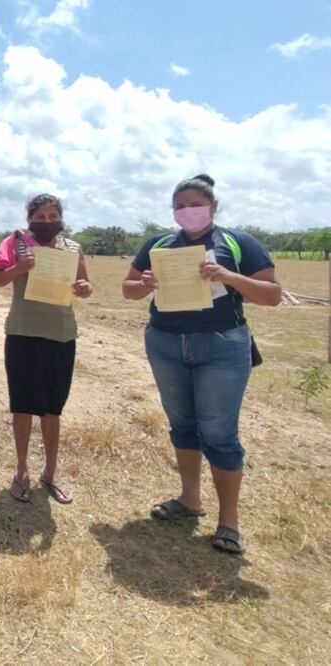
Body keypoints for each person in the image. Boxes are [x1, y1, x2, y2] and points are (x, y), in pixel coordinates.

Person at [122, 174, 281, 554]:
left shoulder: (238, 242)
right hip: (165, 342)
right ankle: (189, 499)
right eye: (179, 206)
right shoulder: (158, 244)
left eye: (195, 204)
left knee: (220, 433)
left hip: (222, 345)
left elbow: (272, 295)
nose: (187, 211)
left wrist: (227, 276)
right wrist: (145, 283)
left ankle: (229, 523)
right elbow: (128, 290)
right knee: (183, 425)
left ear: (212, 207)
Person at [0, 194, 93, 504]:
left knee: (52, 409)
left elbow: (85, 286)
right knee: (21, 406)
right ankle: (21, 472)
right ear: (29, 217)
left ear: (60, 218)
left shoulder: (72, 249)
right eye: (41, 216)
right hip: (23, 333)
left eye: (53, 216)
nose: (47, 221)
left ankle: (50, 473)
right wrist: (20, 268)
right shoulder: (15, 243)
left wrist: (85, 288)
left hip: (61, 335)